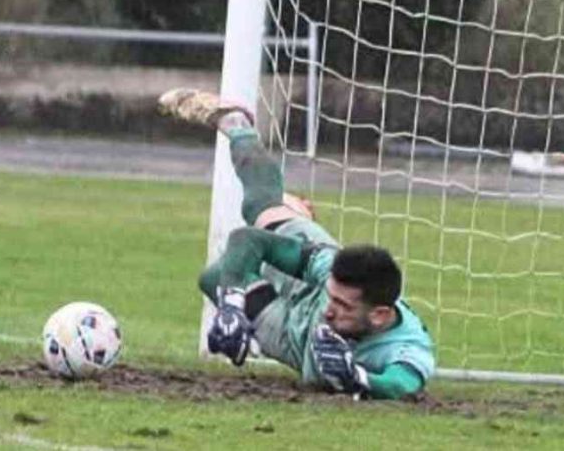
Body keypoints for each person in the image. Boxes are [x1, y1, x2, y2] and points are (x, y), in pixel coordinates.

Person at [162, 90, 434, 400]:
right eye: (333, 298)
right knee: (260, 211)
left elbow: (403, 384)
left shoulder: (406, 346)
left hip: (293, 336)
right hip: (309, 285)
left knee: (212, 277)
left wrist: (356, 377)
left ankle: (292, 216)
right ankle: (237, 125)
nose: (330, 312)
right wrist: (232, 307)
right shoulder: (327, 270)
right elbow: (246, 239)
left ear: (380, 316)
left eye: (344, 306)